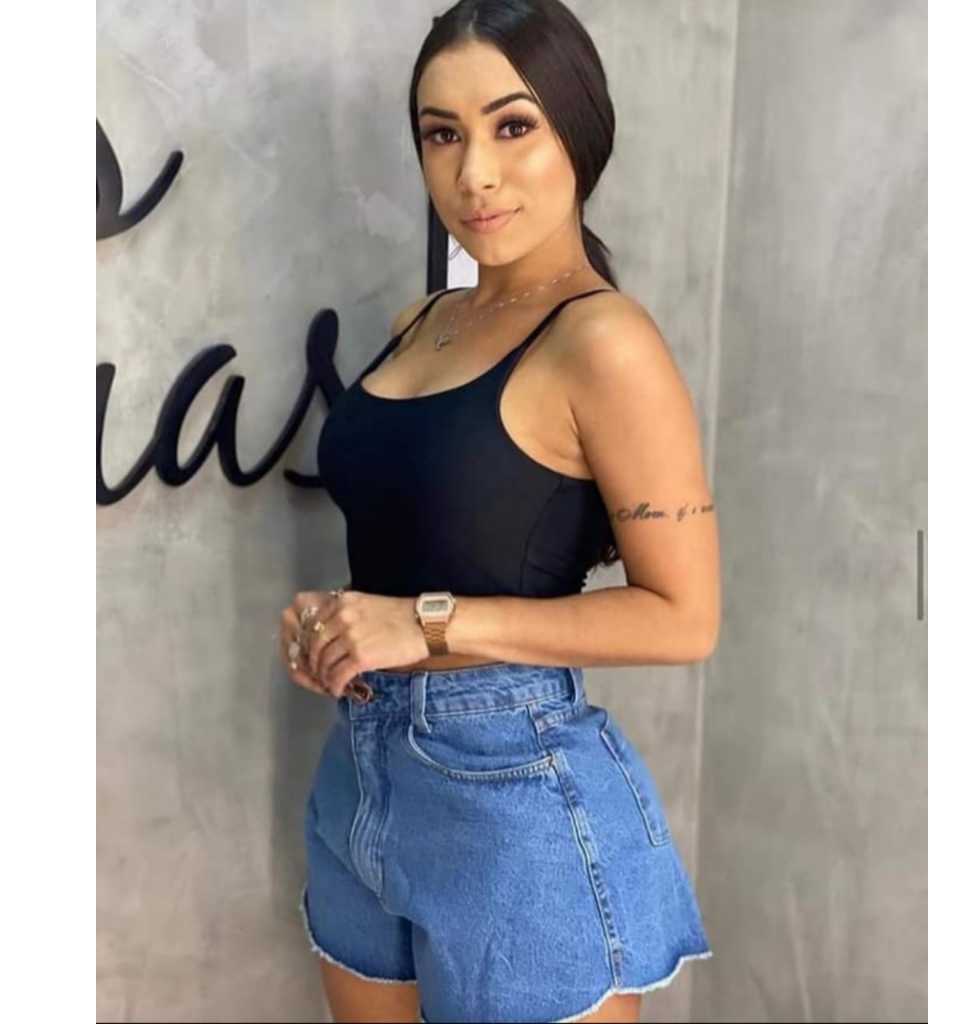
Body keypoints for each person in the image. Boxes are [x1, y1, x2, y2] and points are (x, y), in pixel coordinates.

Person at [278, 2, 720, 1021]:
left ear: (578, 131)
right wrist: (335, 621)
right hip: (359, 770)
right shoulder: (422, 321)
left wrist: (424, 623)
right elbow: (428, 534)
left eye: (512, 125)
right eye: (442, 134)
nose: (473, 172)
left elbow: (683, 618)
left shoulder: (605, 342)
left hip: (511, 786)